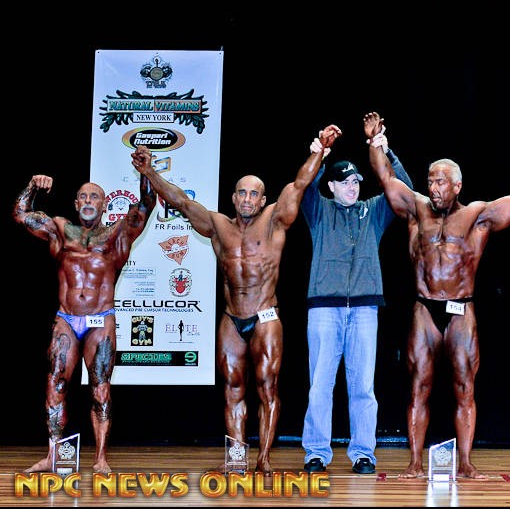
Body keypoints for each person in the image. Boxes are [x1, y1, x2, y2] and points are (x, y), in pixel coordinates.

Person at [131, 125, 341, 475]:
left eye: (253, 194)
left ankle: (264, 458)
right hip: (232, 318)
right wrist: (149, 171)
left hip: (265, 316)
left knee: (267, 387)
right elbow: (180, 201)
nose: (247, 199)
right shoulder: (218, 225)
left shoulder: (274, 221)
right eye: (242, 193)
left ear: (262, 199)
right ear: (233, 198)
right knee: (232, 389)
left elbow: (299, 184)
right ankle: (237, 456)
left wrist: (319, 149)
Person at [370, 142, 510, 479]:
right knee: (418, 387)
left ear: (457, 185)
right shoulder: (416, 209)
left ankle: (466, 463)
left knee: (465, 388)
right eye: (430, 181)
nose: (434, 188)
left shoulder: (477, 215)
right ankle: (414, 464)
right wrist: (375, 143)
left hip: (461, 309)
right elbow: (385, 177)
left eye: (441, 182)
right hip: (424, 308)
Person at [13, 171, 156, 473]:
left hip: (100, 320)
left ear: (104, 205)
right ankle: (52, 455)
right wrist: (32, 186)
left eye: (95, 197)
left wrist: (146, 173)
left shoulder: (117, 233)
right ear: (76, 203)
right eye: (83, 196)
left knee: (100, 388)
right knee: (55, 384)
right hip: (66, 318)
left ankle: (100, 458)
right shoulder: (60, 229)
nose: (89, 201)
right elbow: (21, 214)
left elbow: (146, 204)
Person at [299, 112, 414, 475]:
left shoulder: (373, 211)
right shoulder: (318, 210)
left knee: (363, 386)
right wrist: (320, 152)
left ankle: (363, 453)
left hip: (365, 309)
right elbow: (302, 186)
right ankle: (316, 453)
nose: (352, 187)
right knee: (320, 385)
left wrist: (384, 148)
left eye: (356, 182)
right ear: (332, 186)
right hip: (324, 308)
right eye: (345, 182)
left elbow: (405, 192)